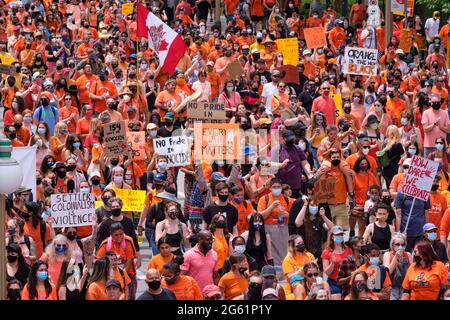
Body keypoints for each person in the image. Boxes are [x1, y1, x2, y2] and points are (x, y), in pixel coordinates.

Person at [321, 226, 352, 300]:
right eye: (337, 235)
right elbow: (327, 273)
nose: (339, 236)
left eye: (341, 234)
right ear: (332, 236)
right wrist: (332, 263)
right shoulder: (327, 252)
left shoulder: (348, 250)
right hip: (334, 283)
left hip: (347, 281)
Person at [382, 232, 413, 300]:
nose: (400, 247)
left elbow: (412, 272)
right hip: (392, 286)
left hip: (404, 287)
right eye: (397, 244)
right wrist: (395, 258)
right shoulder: (387, 254)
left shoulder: (408, 255)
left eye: (403, 244)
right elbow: (387, 272)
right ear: (392, 245)